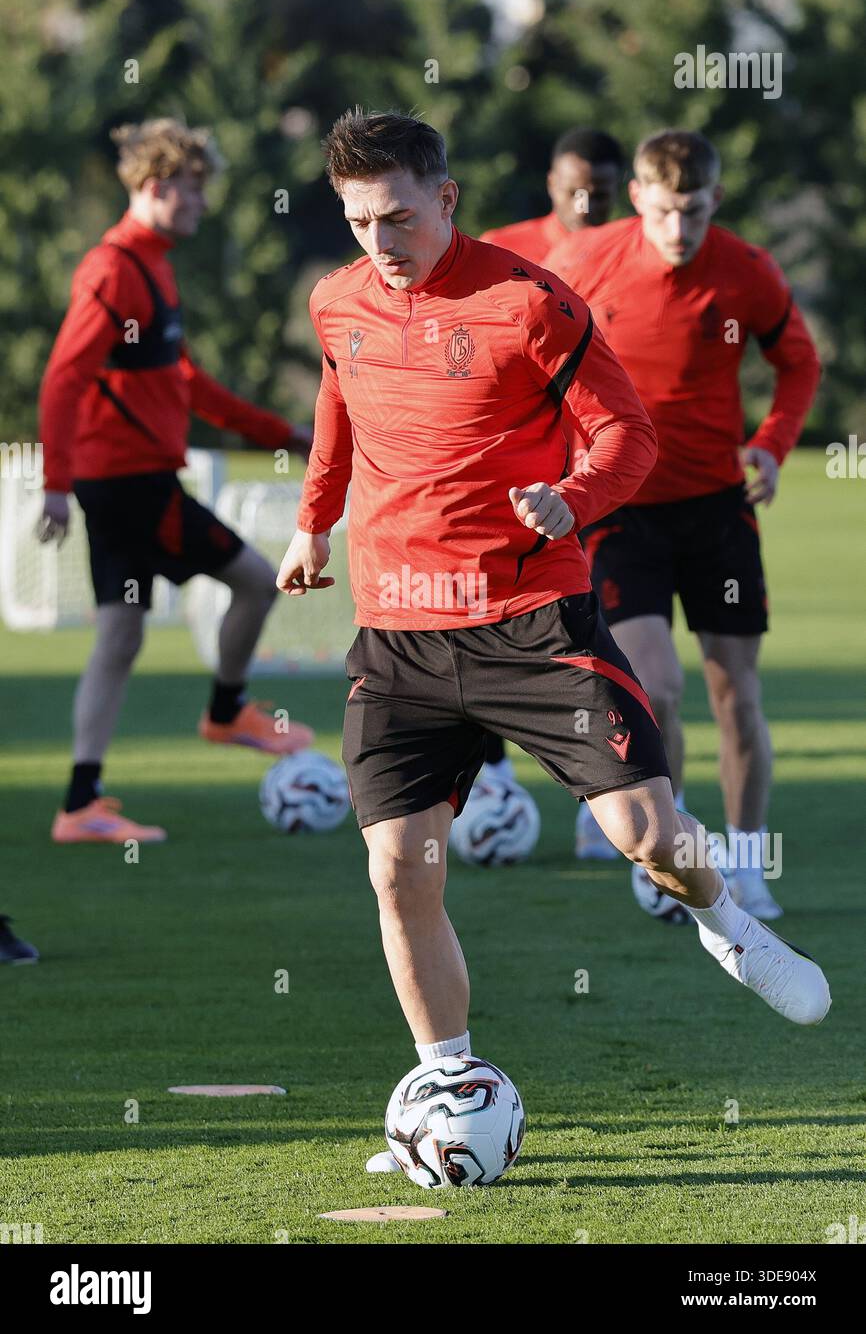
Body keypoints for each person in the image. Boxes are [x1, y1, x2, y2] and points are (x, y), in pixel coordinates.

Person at [276, 109, 830, 1172]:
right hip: (399, 632)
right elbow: (338, 399)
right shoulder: (335, 300)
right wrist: (313, 522)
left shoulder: (531, 301)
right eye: (358, 221)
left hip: (530, 621)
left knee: (645, 833)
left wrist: (572, 499)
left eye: (398, 216)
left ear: (446, 198)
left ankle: (728, 925)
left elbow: (628, 433)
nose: (380, 242)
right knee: (398, 868)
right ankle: (447, 1084)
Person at [547, 130, 821, 914]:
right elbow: (531, 357)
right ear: (637, 197)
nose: (679, 229)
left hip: (718, 511)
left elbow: (799, 361)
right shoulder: (585, 262)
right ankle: (674, 846)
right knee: (656, 687)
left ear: (715, 201)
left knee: (736, 694)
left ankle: (748, 864)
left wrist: (772, 445)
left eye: (694, 211)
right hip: (620, 509)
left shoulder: (747, 270)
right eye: (664, 210)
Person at [38, 119, 314, 845]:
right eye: (193, 190)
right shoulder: (113, 269)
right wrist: (54, 484)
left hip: (123, 482)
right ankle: (225, 713)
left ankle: (80, 805)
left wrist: (279, 433)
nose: (202, 204)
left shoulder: (153, 264)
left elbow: (184, 382)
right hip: (131, 484)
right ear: (157, 187)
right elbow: (64, 378)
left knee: (119, 636)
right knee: (256, 581)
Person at [476, 127, 625, 803]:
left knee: (595, 631)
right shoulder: (504, 252)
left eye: (601, 192)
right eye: (575, 191)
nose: (587, 205)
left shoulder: (634, 253)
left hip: (599, 478)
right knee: (488, 617)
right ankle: (492, 777)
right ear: (551, 186)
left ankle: (608, 789)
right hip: (516, 476)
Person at [479, 127, 625, 263]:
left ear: (618, 189)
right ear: (551, 183)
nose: (583, 210)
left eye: (599, 196)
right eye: (573, 193)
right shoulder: (499, 250)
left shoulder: (628, 255)